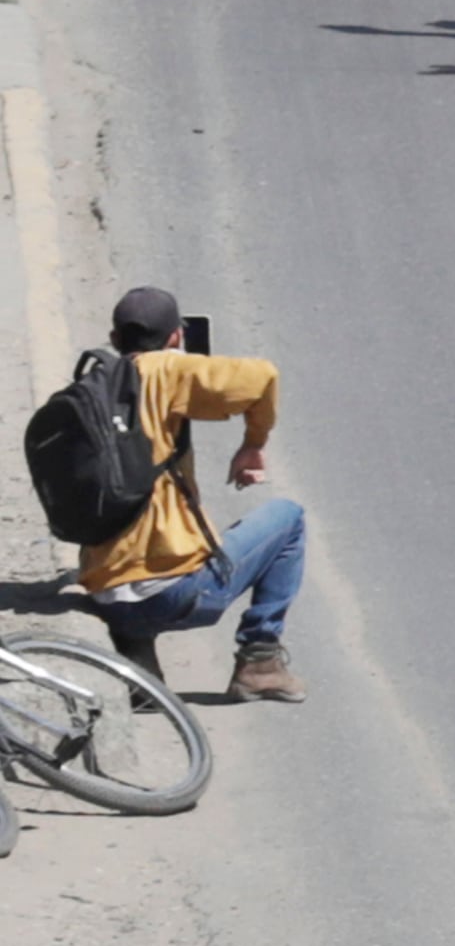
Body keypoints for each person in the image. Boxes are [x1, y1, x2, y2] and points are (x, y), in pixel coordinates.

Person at [78, 285, 305, 704]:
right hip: (173, 597)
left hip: (104, 596)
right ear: (176, 338)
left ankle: (142, 677)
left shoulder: (91, 386)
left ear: (114, 340)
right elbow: (262, 378)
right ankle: (260, 662)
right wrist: (253, 443)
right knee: (289, 519)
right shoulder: (169, 372)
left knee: (129, 553)